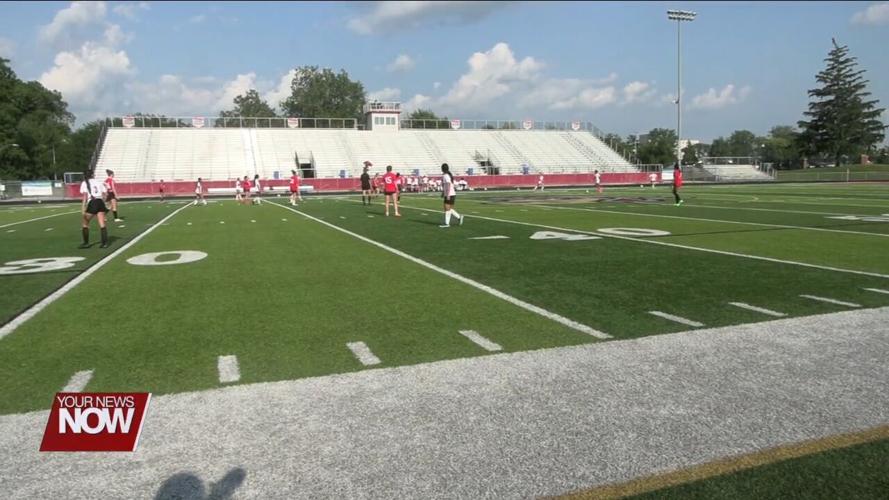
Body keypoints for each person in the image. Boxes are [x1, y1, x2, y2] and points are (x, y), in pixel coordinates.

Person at [79, 170, 109, 248]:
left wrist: (83, 208)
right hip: (100, 202)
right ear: (93, 175)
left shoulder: (84, 183)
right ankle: (104, 243)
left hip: (92, 202)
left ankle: (86, 243)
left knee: (85, 223)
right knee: (102, 223)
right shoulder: (99, 182)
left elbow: (85, 197)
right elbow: (105, 194)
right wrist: (104, 202)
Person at [439, 163, 464, 228]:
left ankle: (447, 224)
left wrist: (447, 194)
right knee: (449, 209)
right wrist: (443, 193)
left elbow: (448, 184)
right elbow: (446, 185)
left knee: (447, 209)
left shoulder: (446, 175)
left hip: (449, 194)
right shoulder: (448, 175)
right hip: (452, 193)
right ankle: (459, 217)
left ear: (442, 169)